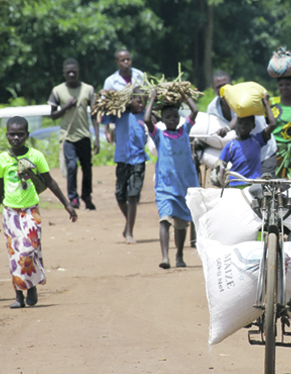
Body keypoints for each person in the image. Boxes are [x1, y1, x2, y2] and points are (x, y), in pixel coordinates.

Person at [0, 116, 77, 308]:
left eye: (20, 134)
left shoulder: (36, 156)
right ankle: (19, 296)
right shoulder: (1, 160)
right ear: (7, 135)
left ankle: (31, 287)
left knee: (29, 249)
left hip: (31, 211)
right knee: (14, 254)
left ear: (27, 135)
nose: (16, 138)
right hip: (10, 212)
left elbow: (50, 181)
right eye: (12, 134)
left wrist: (66, 203)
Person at [144, 89, 199, 269]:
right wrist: (151, 99)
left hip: (184, 187)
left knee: (181, 224)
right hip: (165, 188)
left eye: (175, 116)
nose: (173, 120)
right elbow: (146, 120)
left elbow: (195, 111)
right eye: (168, 117)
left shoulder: (184, 131)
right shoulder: (159, 135)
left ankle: (180, 255)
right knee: (165, 220)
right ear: (162, 120)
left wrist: (185, 95)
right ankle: (165, 257)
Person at [48, 58, 100, 210]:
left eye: (74, 72)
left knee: (87, 167)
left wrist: (97, 137)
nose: (71, 75)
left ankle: (87, 196)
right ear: (63, 73)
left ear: (78, 72)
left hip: (84, 136)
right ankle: (73, 197)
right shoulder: (57, 91)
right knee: (71, 166)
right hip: (67, 136)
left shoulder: (88, 90)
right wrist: (66, 107)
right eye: (68, 72)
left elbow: (94, 114)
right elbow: (53, 116)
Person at [209, 71, 278, 176]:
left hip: (265, 152)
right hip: (245, 155)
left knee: (265, 186)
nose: (223, 88)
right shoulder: (212, 108)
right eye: (219, 86)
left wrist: (227, 128)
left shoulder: (243, 99)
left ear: (231, 85)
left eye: (225, 85)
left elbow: (240, 115)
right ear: (213, 88)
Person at [102, 90, 148, 244]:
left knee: (132, 196)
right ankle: (129, 221)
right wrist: (104, 97)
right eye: (138, 101)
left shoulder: (146, 117)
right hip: (122, 160)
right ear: (130, 100)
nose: (141, 104)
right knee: (120, 196)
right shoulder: (120, 115)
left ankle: (129, 232)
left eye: (144, 101)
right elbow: (104, 117)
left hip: (138, 160)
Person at [217, 93, 276, 187]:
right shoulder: (231, 145)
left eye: (247, 124)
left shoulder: (258, 140)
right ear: (235, 124)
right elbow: (220, 166)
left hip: (253, 185)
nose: (242, 127)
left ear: (253, 126)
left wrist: (266, 104)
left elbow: (272, 124)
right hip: (234, 185)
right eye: (240, 123)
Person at [102, 49, 145, 143]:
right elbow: (105, 107)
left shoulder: (140, 75)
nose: (126, 62)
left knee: (139, 146)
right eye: (123, 60)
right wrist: (107, 129)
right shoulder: (110, 81)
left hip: (139, 117)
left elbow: (146, 96)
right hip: (121, 119)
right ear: (116, 62)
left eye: (128, 59)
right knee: (123, 148)